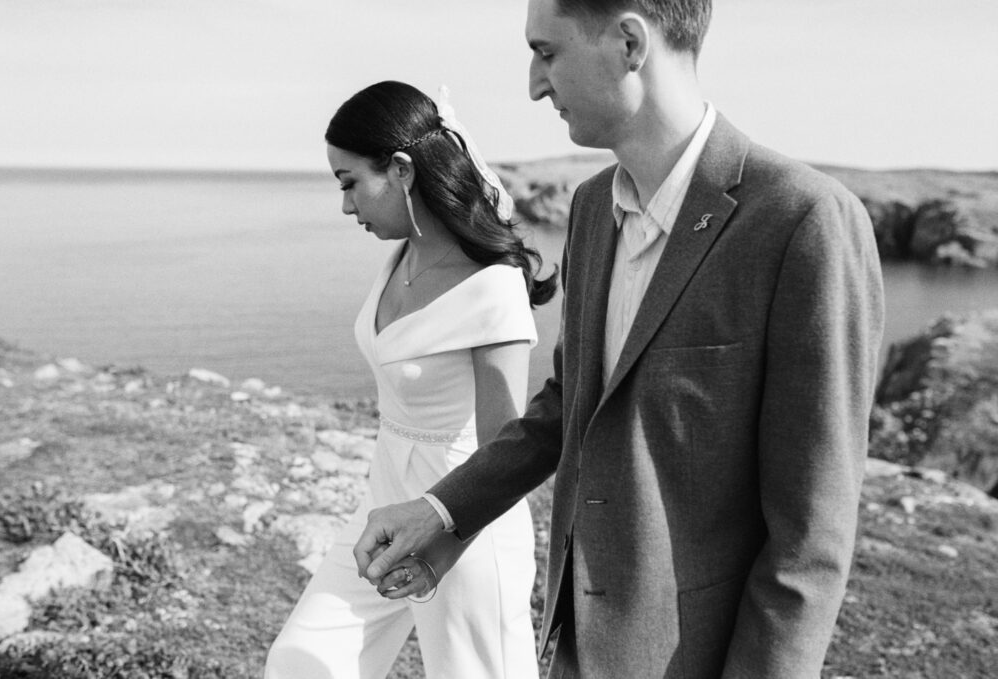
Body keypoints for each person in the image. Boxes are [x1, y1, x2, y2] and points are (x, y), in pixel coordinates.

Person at [354, 1, 885, 678]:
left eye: (547, 53)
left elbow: (809, 541)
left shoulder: (803, 220)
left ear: (630, 43)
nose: (533, 85)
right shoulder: (590, 208)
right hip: (575, 649)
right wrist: (441, 511)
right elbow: (568, 404)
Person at [265, 80, 557, 679]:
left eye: (349, 183)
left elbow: (505, 447)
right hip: (382, 504)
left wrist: (446, 536)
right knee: (301, 661)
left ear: (401, 169)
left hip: (464, 522)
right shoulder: (400, 256)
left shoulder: (492, 286)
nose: (346, 206)